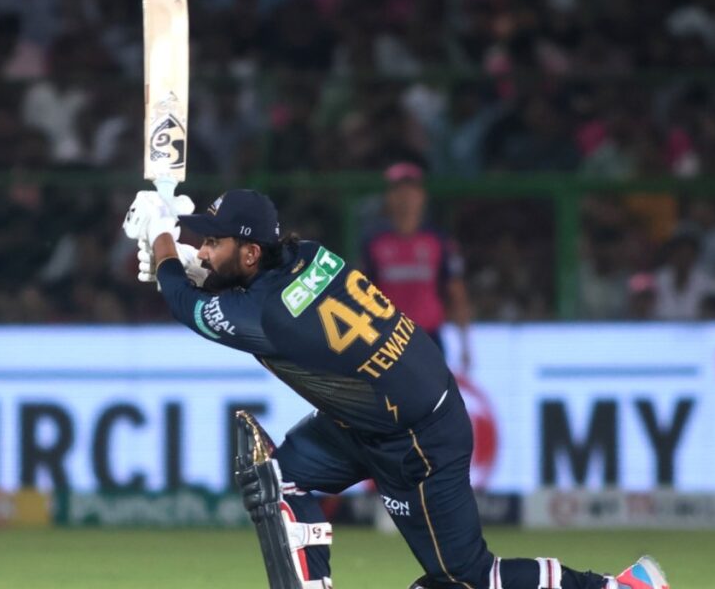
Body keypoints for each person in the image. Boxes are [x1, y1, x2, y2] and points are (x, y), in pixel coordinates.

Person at [122, 187, 669, 589]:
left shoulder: (268, 315)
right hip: (370, 419)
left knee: (469, 578)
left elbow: (191, 307)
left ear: (249, 253)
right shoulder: (308, 254)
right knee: (277, 480)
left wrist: (164, 243)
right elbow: (240, 289)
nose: (205, 249)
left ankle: (620, 587)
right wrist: (187, 258)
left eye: (212, 242)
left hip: (417, 441)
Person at [363, 162, 472, 373]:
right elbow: (362, 293)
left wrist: (465, 344)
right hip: (387, 340)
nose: (405, 198)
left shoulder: (438, 242)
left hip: (428, 338)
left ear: (422, 196)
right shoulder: (374, 243)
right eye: (398, 191)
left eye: (411, 191)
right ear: (388, 197)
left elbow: (456, 291)